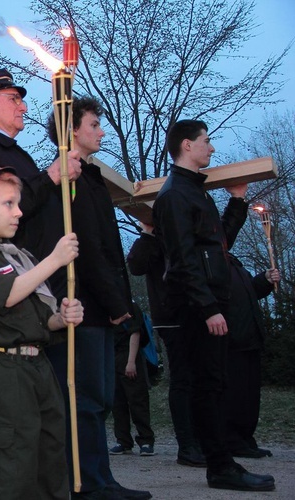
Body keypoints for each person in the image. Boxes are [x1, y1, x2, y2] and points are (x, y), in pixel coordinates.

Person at [0, 166, 83, 500]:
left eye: (18, 203)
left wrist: (62, 317)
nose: (19, 212)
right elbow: (5, 295)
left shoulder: (20, 256)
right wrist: (54, 260)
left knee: (50, 462)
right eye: (8, 204)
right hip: (2, 373)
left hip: (38, 368)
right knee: (12, 471)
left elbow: (37, 320)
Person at [152, 119, 274, 491]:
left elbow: (218, 247)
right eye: (207, 141)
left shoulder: (196, 193)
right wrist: (207, 308)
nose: (213, 149)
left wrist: (237, 200)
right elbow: (183, 259)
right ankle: (220, 467)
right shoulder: (174, 195)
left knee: (216, 383)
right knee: (207, 385)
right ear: (187, 146)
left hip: (209, 302)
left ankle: (222, 463)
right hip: (195, 307)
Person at [43, 97, 150, 500]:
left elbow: (109, 247)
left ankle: (102, 479)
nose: (101, 131)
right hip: (81, 306)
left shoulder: (92, 178)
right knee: (84, 399)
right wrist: (116, 303)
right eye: (94, 124)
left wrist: (123, 301)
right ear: (72, 132)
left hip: (101, 306)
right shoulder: (68, 179)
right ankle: (85, 484)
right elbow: (85, 245)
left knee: (100, 398)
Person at [0, 68, 82, 252]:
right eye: (14, 99)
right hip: (13, 276)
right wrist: (50, 176)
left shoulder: (12, 152)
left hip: (39, 273)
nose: (23, 107)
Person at [127, 224, 206, 467]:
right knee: (183, 380)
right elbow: (136, 265)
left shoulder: (190, 233)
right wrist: (148, 231)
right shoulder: (153, 240)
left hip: (202, 313)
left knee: (205, 380)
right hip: (172, 318)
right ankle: (188, 445)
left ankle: (206, 440)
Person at [223, 255, 279, 458]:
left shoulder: (235, 264)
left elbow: (250, 292)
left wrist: (264, 279)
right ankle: (234, 440)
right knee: (236, 395)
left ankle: (246, 438)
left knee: (250, 395)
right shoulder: (212, 263)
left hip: (250, 339)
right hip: (232, 340)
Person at [109, 303, 155, 457]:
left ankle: (146, 440)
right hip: (113, 356)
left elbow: (135, 333)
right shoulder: (106, 306)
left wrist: (131, 362)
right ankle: (123, 441)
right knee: (117, 402)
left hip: (129, 355)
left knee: (137, 400)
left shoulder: (130, 306)